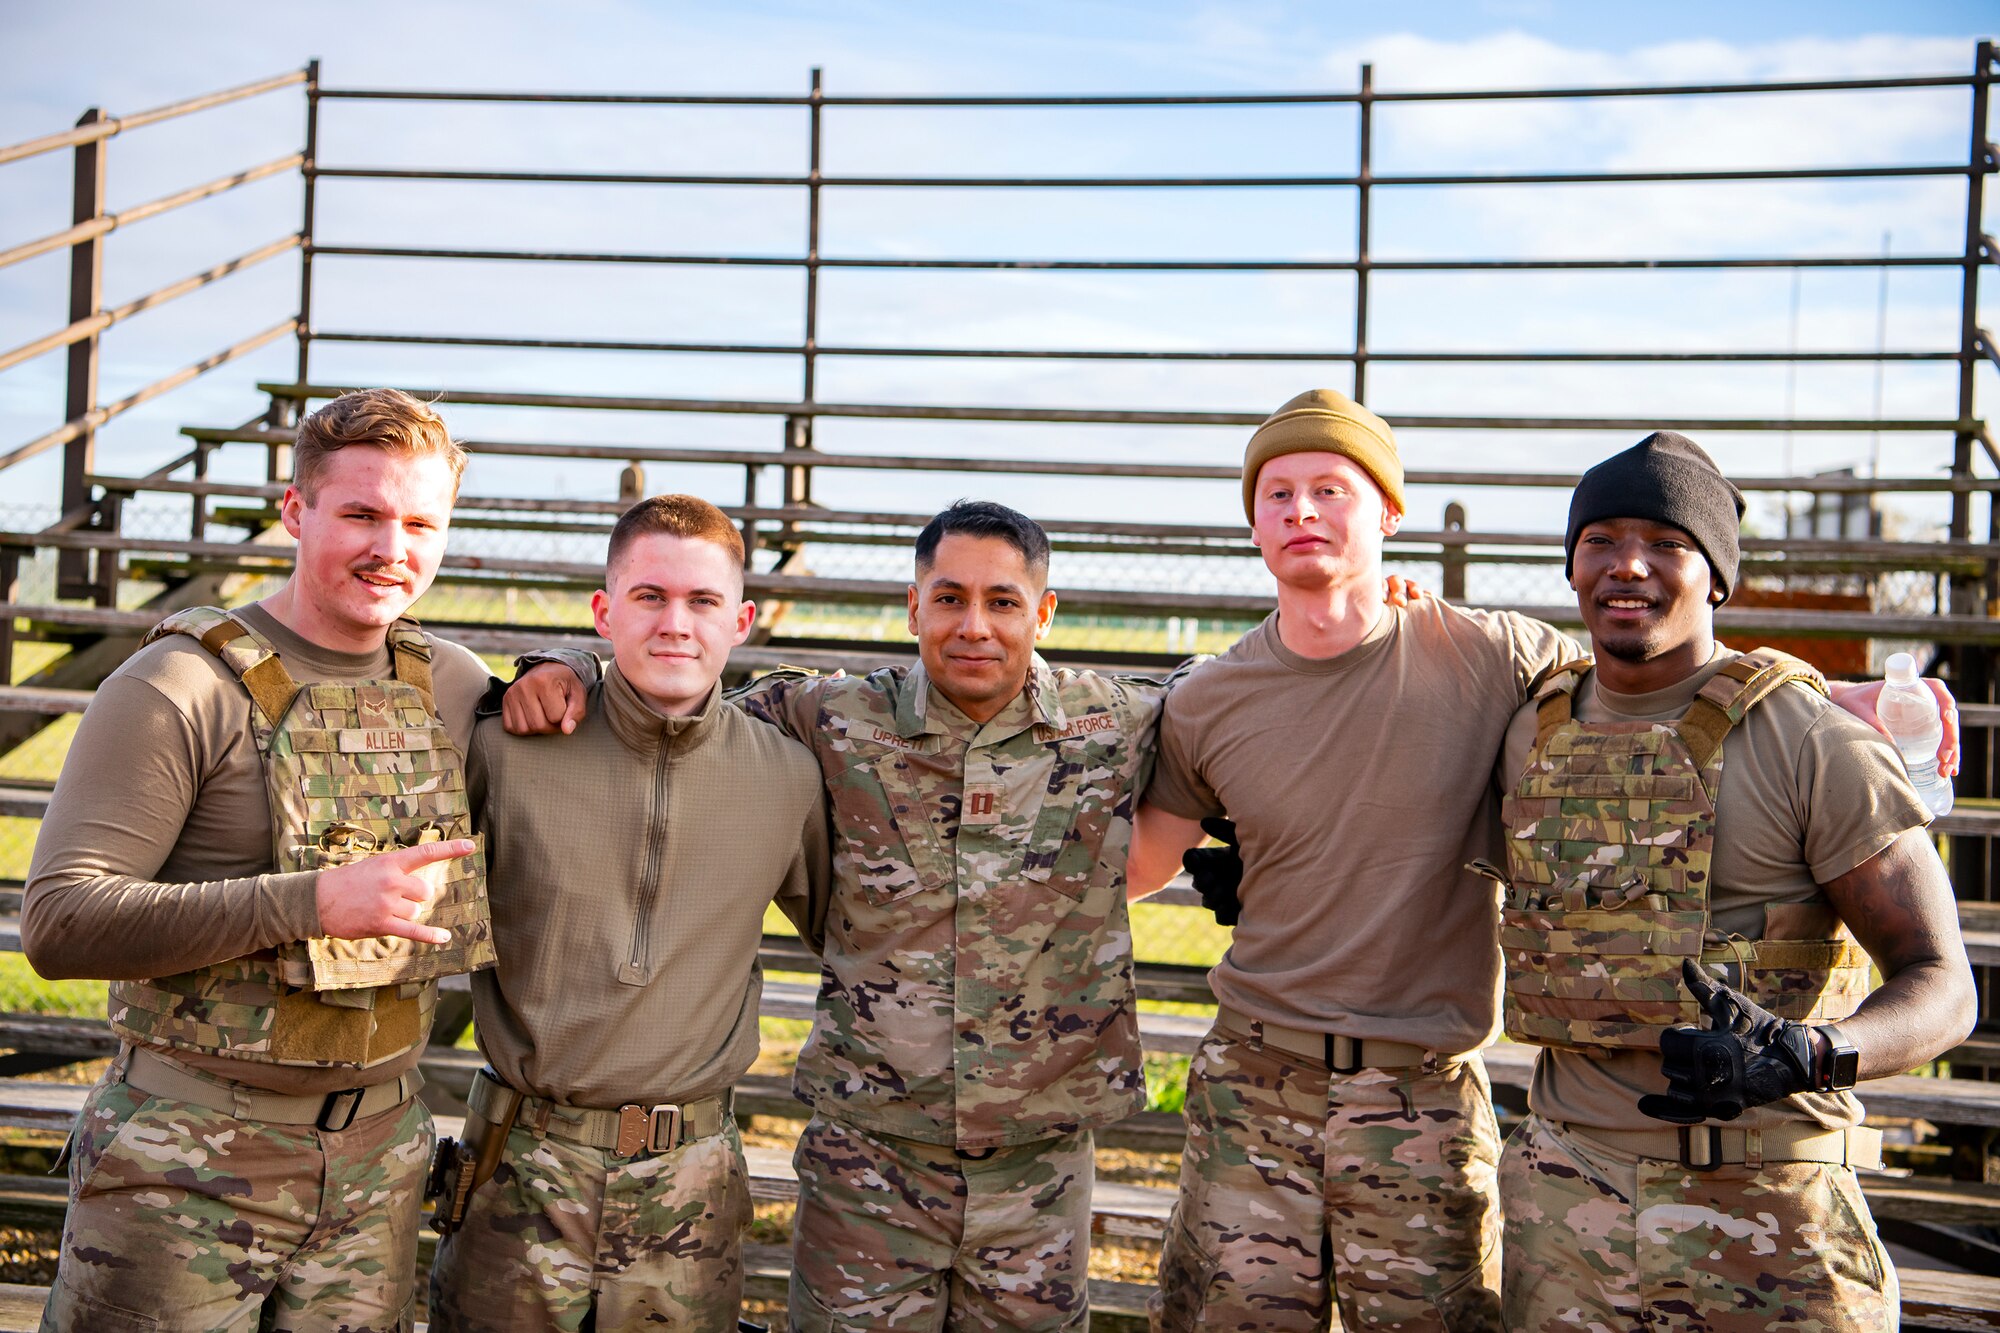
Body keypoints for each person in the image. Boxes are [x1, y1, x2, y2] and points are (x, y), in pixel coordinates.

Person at [1125, 392, 1953, 1333]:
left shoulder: (1489, 656)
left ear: (1388, 514)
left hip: (1435, 1102)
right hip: (1297, 1099)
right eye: (1277, 492)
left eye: (1329, 488)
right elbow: (1139, 857)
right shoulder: (1217, 698)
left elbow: (1667, 673)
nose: (1302, 510)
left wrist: (1851, 696)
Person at [510, 499, 1173, 1331]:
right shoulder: (831, 716)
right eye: (949, 597)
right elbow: (678, 688)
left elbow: (1248, 687)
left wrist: (1393, 622)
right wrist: (566, 660)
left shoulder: (1120, 721)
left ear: (1042, 612)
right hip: (868, 1160)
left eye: (1003, 601)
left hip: (1037, 1172)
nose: (974, 625)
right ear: (912, 605)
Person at [22, 388, 592, 1333]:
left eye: (421, 521)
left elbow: (592, 708)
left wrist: (572, 663)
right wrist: (311, 902)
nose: (392, 547)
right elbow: (60, 921)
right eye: (361, 513)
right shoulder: (176, 685)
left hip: (379, 1161)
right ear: (295, 511)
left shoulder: (446, 682)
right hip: (187, 1163)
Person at [1491, 431, 1976, 1331]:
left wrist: (1814, 1050)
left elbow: (1945, 984)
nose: (1627, 564)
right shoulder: (1528, 733)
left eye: (1666, 543)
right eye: (1599, 539)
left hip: (1768, 1208)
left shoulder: (1813, 740)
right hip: (1566, 1207)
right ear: (1570, 566)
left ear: (1716, 575)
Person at [427, 494, 830, 1331]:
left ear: (743, 620)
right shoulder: (507, 746)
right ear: (604, 611)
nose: (675, 623)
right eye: (649, 597)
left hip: (691, 1186)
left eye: (703, 601)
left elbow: (859, 931)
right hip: (522, 1171)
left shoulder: (789, 777)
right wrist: (559, 664)